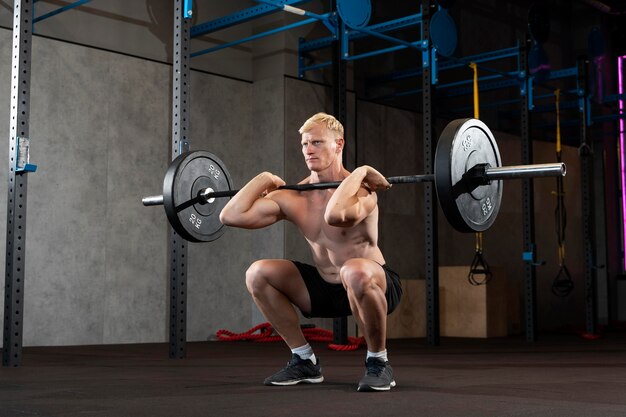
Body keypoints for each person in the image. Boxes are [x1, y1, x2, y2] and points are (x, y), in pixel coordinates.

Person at [219, 112, 402, 392]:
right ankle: (304, 360)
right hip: (324, 288)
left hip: (371, 283)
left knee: (353, 269)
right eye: (304, 144)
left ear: (339, 145)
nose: (308, 150)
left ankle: (378, 362)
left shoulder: (365, 190)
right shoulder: (294, 195)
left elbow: (336, 215)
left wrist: (361, 172)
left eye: (317, 142)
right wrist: (263, 179)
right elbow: (230, 216)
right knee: (257, 273)